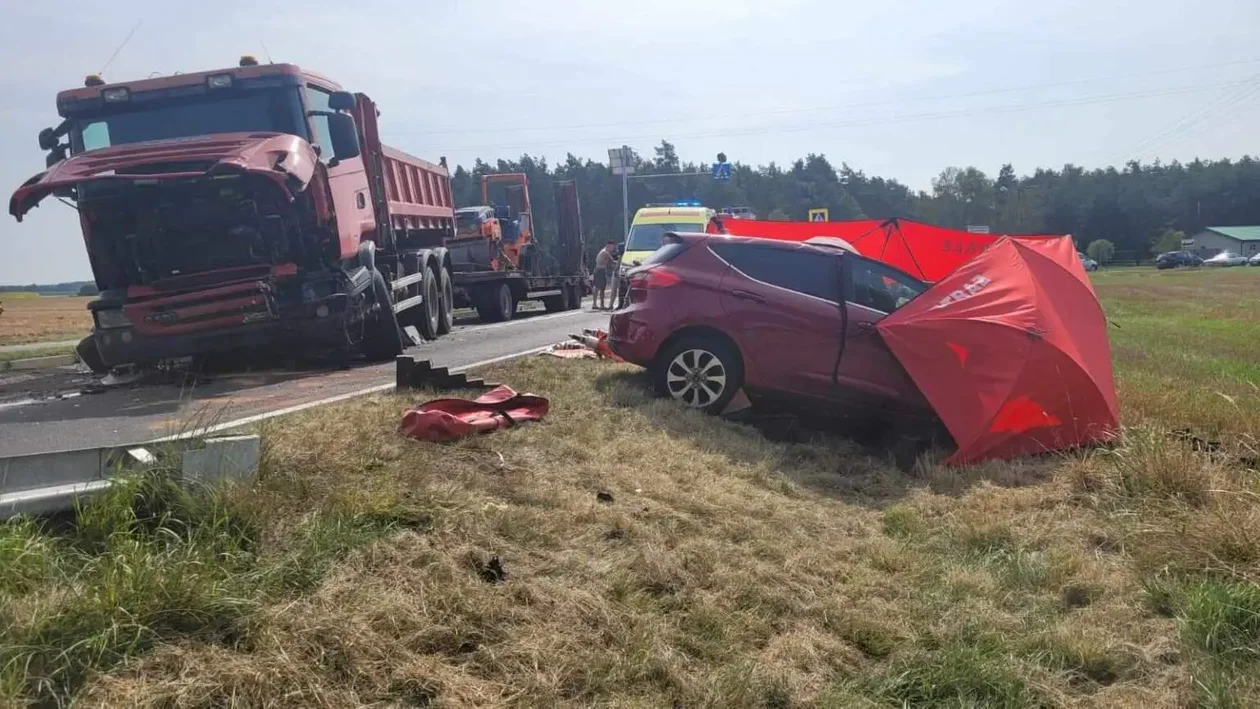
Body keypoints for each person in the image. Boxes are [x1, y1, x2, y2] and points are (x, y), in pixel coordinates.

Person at [594, 241, 615, 310]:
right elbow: (612, 261)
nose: (612, 249)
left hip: (597, 270)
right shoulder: (605, 252)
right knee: (602, 288)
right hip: (600, 271)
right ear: (608, 246)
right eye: (612, 247)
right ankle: (601, 305)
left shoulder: (602, 251)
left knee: (597, 287)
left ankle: (595, 304)